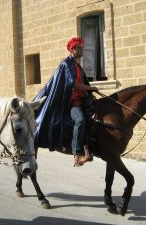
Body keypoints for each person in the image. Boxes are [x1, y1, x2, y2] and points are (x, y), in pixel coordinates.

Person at [33, 37, 98, 167]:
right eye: (79, 47)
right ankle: (77, 154)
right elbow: (75, 85)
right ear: (73, 49)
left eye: (82, 47)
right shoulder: (67, 64)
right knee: (79, 120)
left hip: (81, 101)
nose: (82, 50)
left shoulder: (77, 66)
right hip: (70, 103)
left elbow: (81, 84)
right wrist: (91, 88)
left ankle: (89, 147)